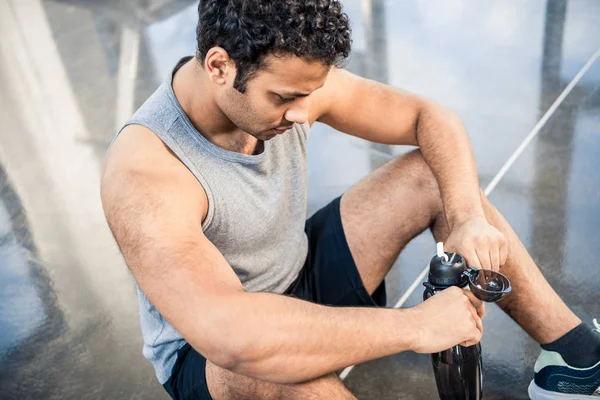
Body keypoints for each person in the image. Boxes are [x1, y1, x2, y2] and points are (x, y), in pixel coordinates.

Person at [100, 1, 600, 399]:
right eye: (284, 99)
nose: (302, 114)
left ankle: (578, 359)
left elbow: (431, 117)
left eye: (308, 95)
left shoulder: (288, 77)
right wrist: (414, 327)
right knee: (267, 374)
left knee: (431, 175)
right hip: (215, 354)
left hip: (300, 272)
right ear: (218, 66)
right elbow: (233, 336)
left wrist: (466, 217)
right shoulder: (146, 173)